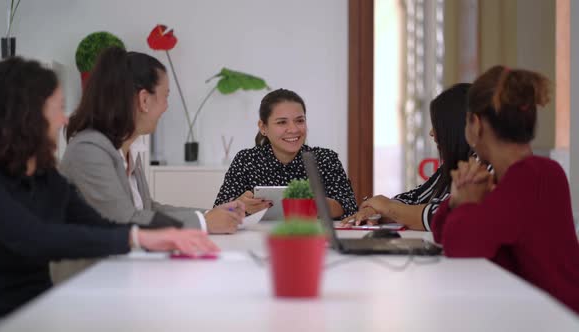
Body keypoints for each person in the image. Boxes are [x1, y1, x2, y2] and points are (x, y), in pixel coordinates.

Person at [0, 57, 222, 318]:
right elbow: (37, 238)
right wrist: (138, 237)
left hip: (43, 309)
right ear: (27, 115)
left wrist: (166, 235)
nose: (64, 120)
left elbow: (102, 224)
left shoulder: (46, 177)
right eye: (57, 109)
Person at [432, 66, 579, 315]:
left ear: (476, 124)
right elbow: (441, 232)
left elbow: (461, 247)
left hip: (560, 319)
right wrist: (458, 200)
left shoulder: (530, 176)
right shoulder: (515, 177)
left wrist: (466, 201)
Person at [62, 47, 243, 234]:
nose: (166, 107)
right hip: (97, 264)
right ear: (144, 100)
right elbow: (123, 221)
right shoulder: (88, 151)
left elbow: (147, 210)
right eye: (165, 96)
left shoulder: (127, 151)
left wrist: (208, 215)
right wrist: (204, 223)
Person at [341, 83, 472, 230]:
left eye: (438, 126)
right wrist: (376, 210)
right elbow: (415, 198)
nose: (431, 133)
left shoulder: (483, 170)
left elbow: (442, 216)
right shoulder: (451, 168)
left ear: (456, 129)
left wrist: (388, 207)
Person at [213, 88, 357, 219]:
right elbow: (217, 212)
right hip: (257, 239)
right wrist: (241, 206)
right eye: (282, 122)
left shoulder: (325, 159)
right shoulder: (246, 160)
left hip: (312, 238)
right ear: (263, 127)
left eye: (299, 121)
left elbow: (350, 208)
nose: (293, 129)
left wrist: (313, 206)